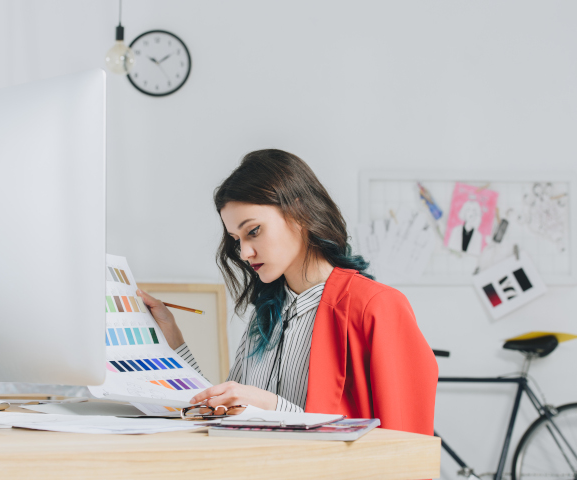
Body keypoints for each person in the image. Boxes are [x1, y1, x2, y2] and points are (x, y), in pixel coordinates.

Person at [136, 149, 438, 436]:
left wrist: (272, 408)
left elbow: (404, 444)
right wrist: (171, 341)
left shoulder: (376, 306)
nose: (244, 251)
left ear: (299, 213)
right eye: (236, 239)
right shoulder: (265, 314)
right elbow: (225, 410)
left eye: (253, 231)